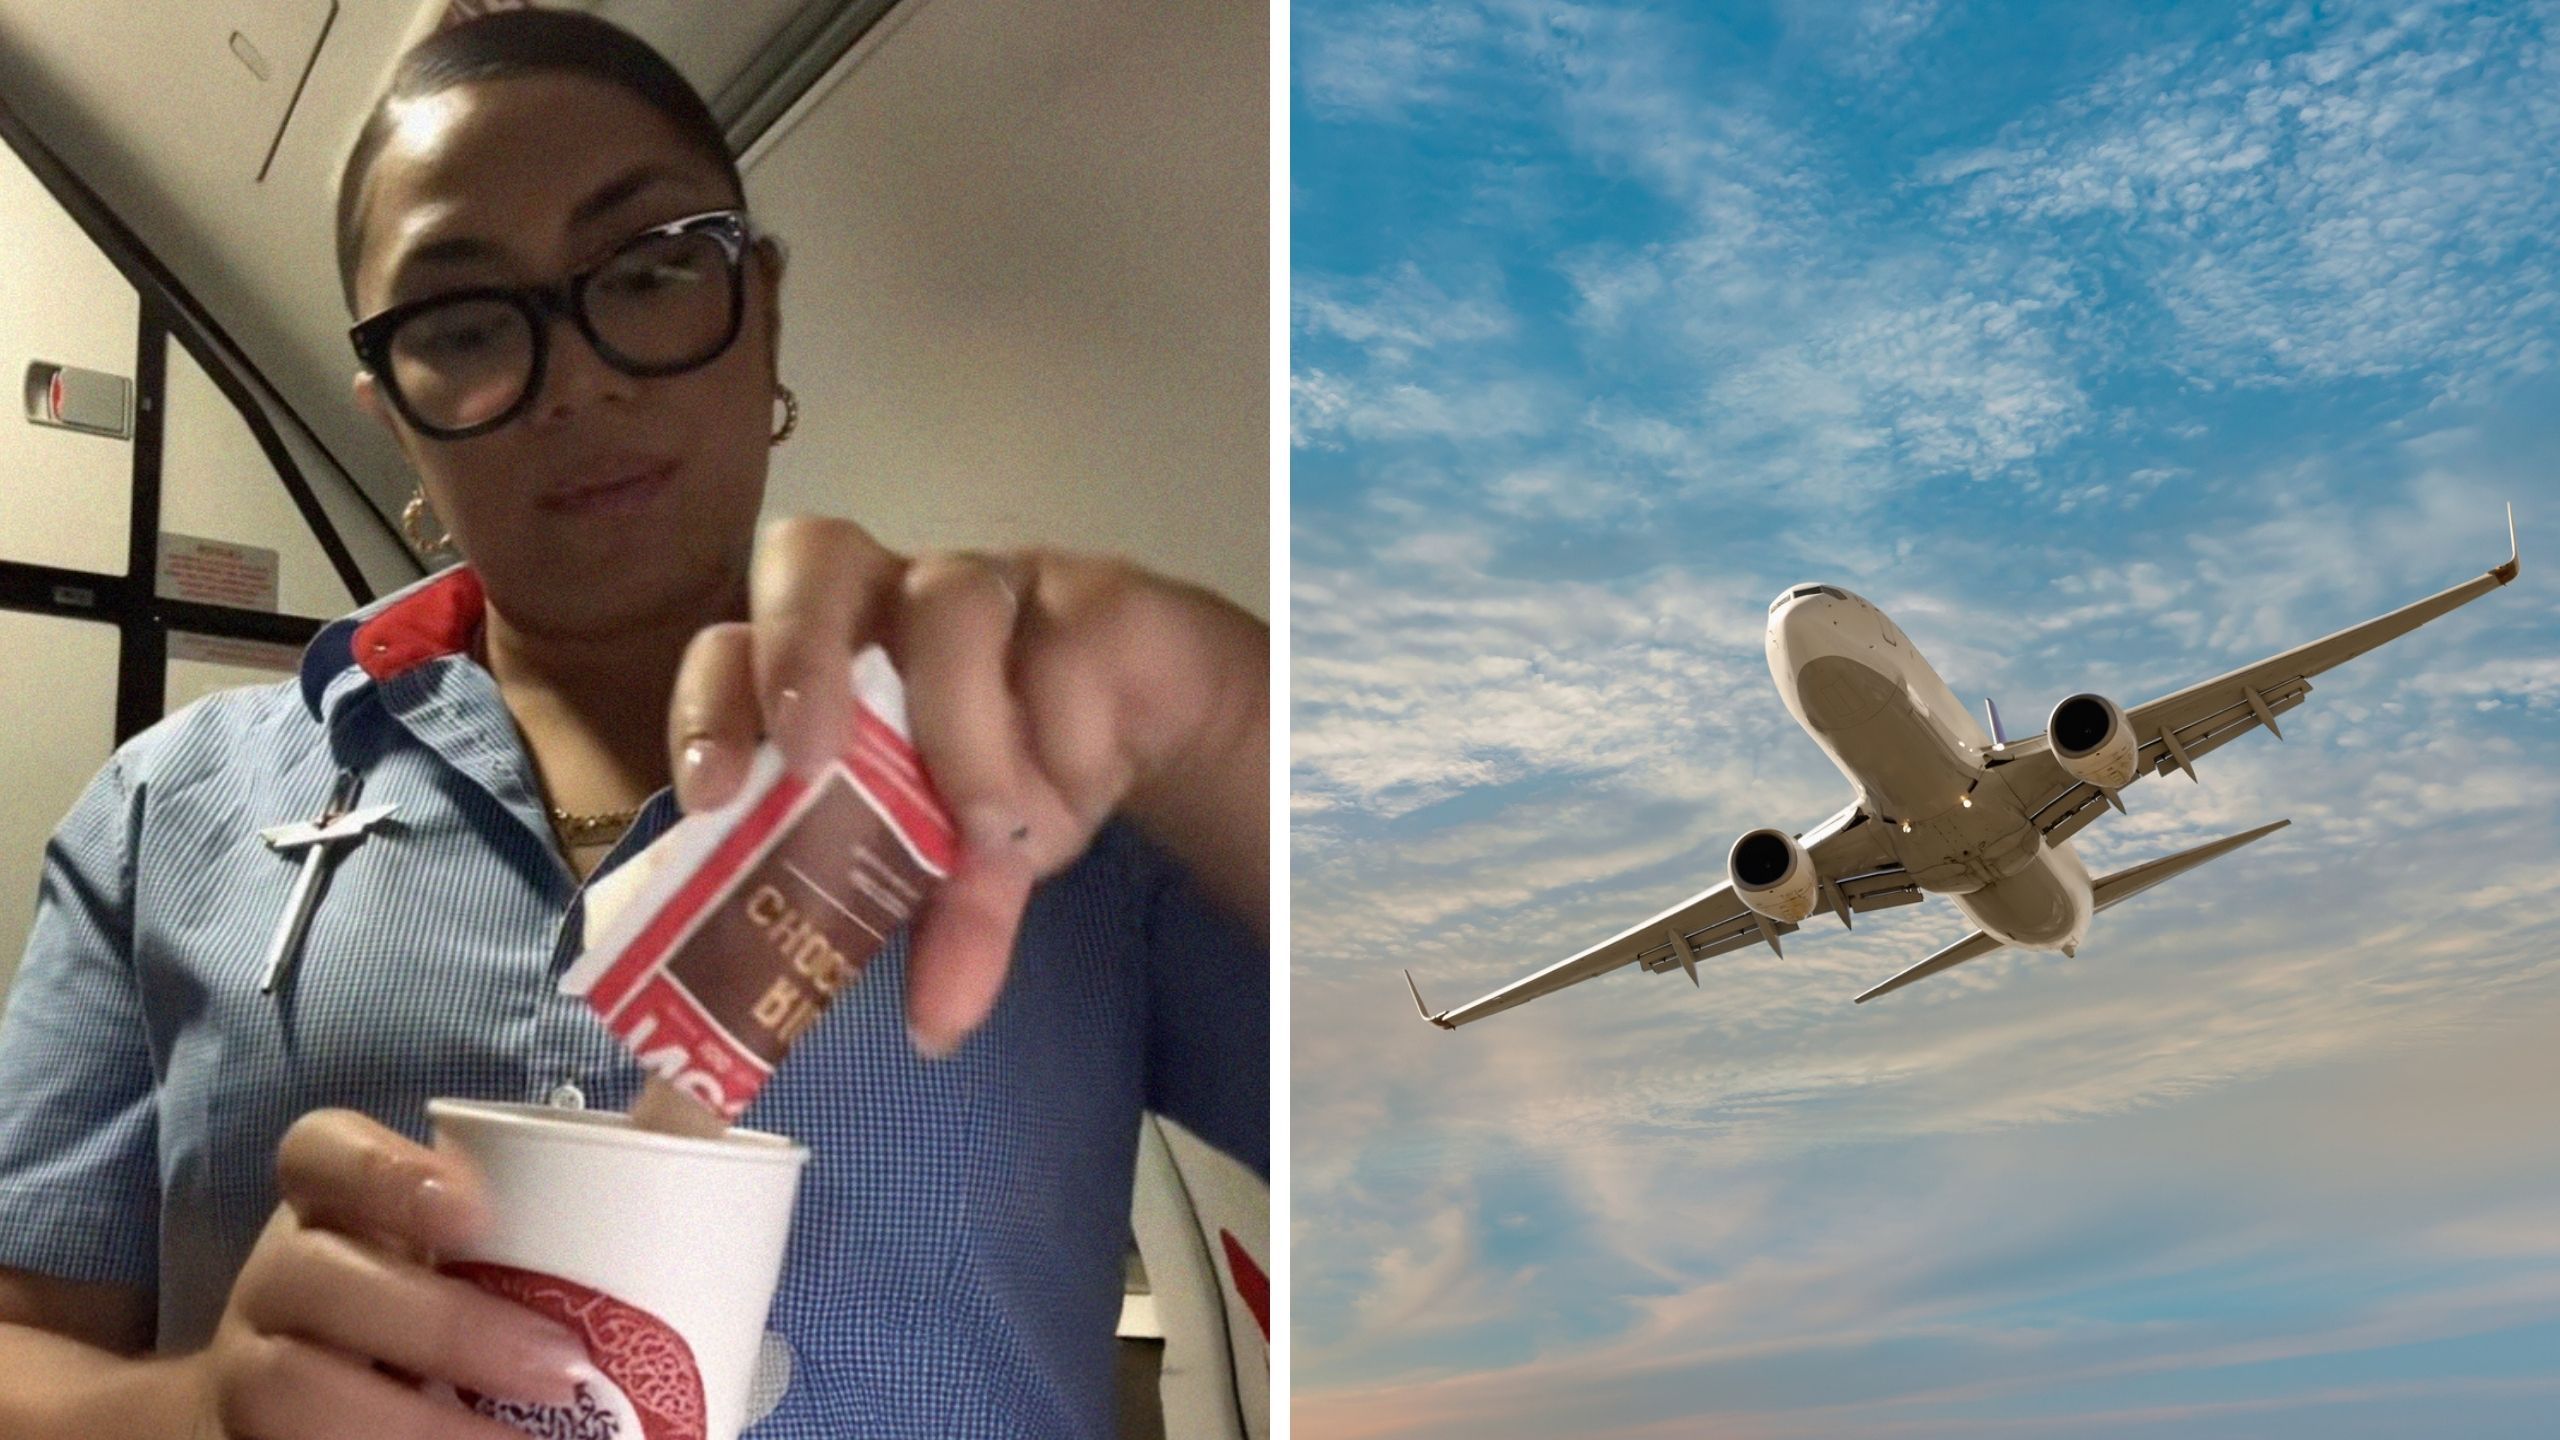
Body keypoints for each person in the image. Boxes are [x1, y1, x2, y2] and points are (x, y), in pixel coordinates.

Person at [0, 11, 1266, 1438]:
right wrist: (196, 1414)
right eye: (468, 322)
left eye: (655, 271)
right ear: (394, 417)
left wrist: (1235, 724)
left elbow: (1475, 1126)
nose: (580, 379)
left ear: (763, 308)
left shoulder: (1054, 791)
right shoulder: (165, 817)